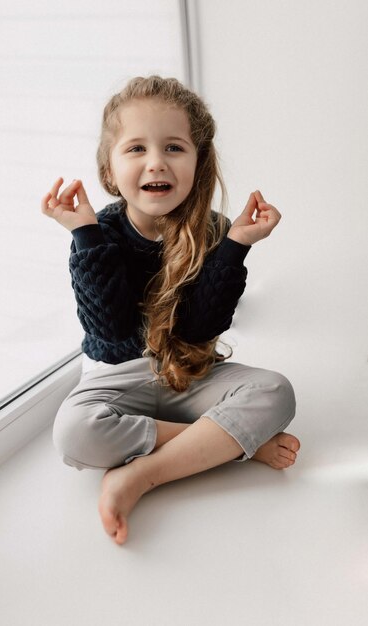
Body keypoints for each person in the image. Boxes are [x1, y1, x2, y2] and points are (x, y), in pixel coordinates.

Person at [41, 75, 300, 545]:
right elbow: (114, 329)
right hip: (120, 380)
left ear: (198, 164)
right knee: (75, 433)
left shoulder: (214, 231)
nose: (156, 162)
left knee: (276, 392)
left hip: (190, 374)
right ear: (108, 171)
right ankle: (224, 440)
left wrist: (235, 247)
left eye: (174, 148)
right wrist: (84, 236)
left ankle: (142, 476)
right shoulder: (99, 233)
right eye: (136, 149)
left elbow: (204, 326)